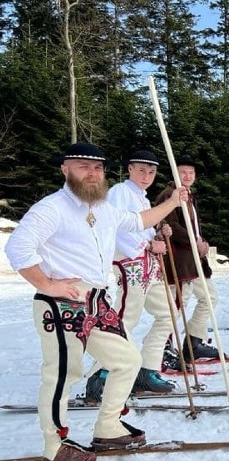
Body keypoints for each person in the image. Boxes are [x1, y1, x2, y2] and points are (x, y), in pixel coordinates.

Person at [4, 142, 188, 461]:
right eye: (83, 166)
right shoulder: (52, 208)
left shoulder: (102, 207)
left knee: (127, 360)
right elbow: (18, 247)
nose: (92, 173)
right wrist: (47, 284)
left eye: (98, 168)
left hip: (96, 301)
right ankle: (54, 445)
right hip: (62, 303)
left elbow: (138, 220)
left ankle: (108, 428)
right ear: (65, 169)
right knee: (62, 374)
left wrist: (174, 201)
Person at [86, 150, 176, 401]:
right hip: (130, 264)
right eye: (141, 170)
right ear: (130, 169)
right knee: (125, 319)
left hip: (149, 266)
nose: (147, 176)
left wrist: (157, 234)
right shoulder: (119, 192)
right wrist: (148, 245)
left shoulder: (142, 198)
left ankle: (147, 370)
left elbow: (140, 226)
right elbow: (114, 227)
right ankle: (100, 375)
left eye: (151, 171)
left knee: (169, 313)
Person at [155, 156, 222, 362]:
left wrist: (202, 241)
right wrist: (195, 241)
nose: (188, 176)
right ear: (175, 173)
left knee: (209, 298)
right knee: (176, 306)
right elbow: (171, 227)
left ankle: (194, 343)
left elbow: (192, 227)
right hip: (179, 261)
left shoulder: (189, 196)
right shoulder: (169, 195)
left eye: (191, 173)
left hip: (195, 261)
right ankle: (164, 348)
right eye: (183, 172)